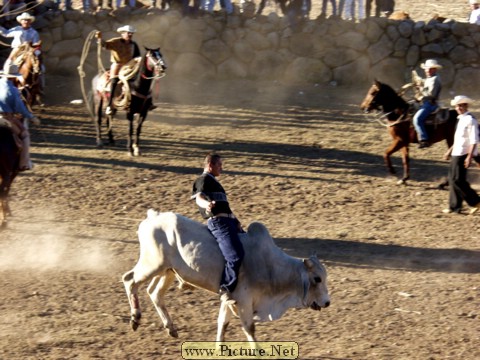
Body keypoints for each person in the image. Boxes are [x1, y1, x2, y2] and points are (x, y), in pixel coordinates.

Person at [191, 153, 245, 305]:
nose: (222, 168)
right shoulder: (203, 179)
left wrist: (236, 221)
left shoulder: (215, 183)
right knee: (235, 255)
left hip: (229, 221)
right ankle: (226, 290)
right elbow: (199, 198)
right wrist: (206, 205)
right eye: (219, 165)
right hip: (219, 223)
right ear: (210, 165)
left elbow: (224, 206)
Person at [442, 95, 480, 215]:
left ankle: (476, 201)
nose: (459, 108)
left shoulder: (470, 120)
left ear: (466, 106)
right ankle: (454, 206)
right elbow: (458, 139)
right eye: (457, 106)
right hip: (456, 152)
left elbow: (474, 140)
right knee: (453, 180)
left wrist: (469, 157)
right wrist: (449, 151)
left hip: (464, 153)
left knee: (458, 180)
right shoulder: (460, 119)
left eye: (461, 105)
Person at [0, 64, 40, 171]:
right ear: (13, 77)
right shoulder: (13, 90)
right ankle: (23, 163)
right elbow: (20, 108)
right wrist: (31, 117)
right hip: (6, 118)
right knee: (25, 135)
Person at [95, 25, 141, 115]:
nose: (130, 35)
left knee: (137, 81)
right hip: (117, 65)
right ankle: (109, 106)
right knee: (114, 81)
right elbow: (105, 45)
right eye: (128, 33)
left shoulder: (134, 44)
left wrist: (138, 61)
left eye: (131, 33)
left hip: (129, 67)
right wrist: (100, 39)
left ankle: (136, 104)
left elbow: (137, 56)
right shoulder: (116, 42)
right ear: (123, 33)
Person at [413, 59, 442, 148]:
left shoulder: (435, 79)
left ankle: (424, 139)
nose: (428, 71)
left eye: (430, 69)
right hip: (425, 102)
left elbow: (431, 95)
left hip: (430, 104)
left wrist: (420, 90)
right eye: (427, 69)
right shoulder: (430, 78)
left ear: (435, 69)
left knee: (417, 119)